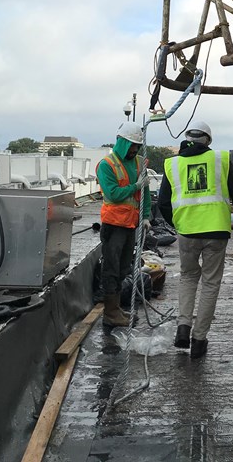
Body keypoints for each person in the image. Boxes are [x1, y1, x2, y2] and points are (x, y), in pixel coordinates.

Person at [158, 121, 233, 359]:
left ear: (188, 139)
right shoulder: (220, 159)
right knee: (210, 283)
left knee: (188, 278)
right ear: (208, 140)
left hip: (187, 231)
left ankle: (183, 327)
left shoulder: (173, 163)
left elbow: (163, 203)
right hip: (217, 232)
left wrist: (176, 224)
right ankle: (199, 340)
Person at [96, 121, 151, 327]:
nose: (134, 149)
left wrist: (145, 216)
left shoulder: (138, 163)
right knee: (111, 268)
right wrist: (135, 185)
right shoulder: (106, 165)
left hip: (130, 225)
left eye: (137, 146)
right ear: (122, 142)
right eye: (132, 145)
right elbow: (113, 194)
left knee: (123, 267)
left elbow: (143, 193)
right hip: (114, 225)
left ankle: (116, 309)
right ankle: (110, 312)